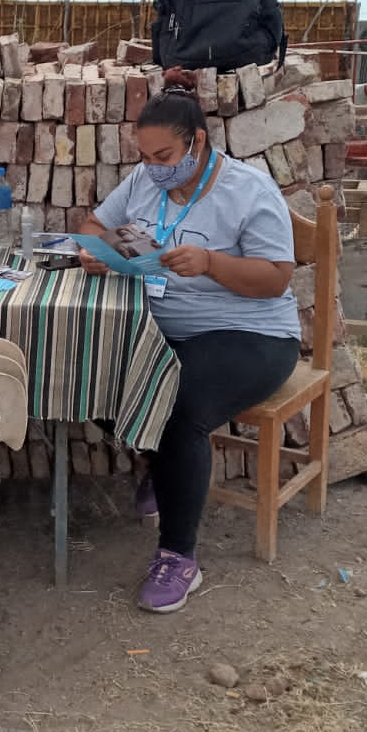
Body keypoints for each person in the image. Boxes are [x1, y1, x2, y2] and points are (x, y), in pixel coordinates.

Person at [79, 85, 300, 614]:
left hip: (252, 334)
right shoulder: (142, 181)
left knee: (177, 406)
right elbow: (91, 225)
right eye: (145, 157)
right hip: (164, 328)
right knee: (92, 377)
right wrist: (101, 251)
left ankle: (179, 556)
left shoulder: (250, 190)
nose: (153, 168)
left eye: (164, 157)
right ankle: (163, 471)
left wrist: (211, 263)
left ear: (197, 143)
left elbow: (275, 279)